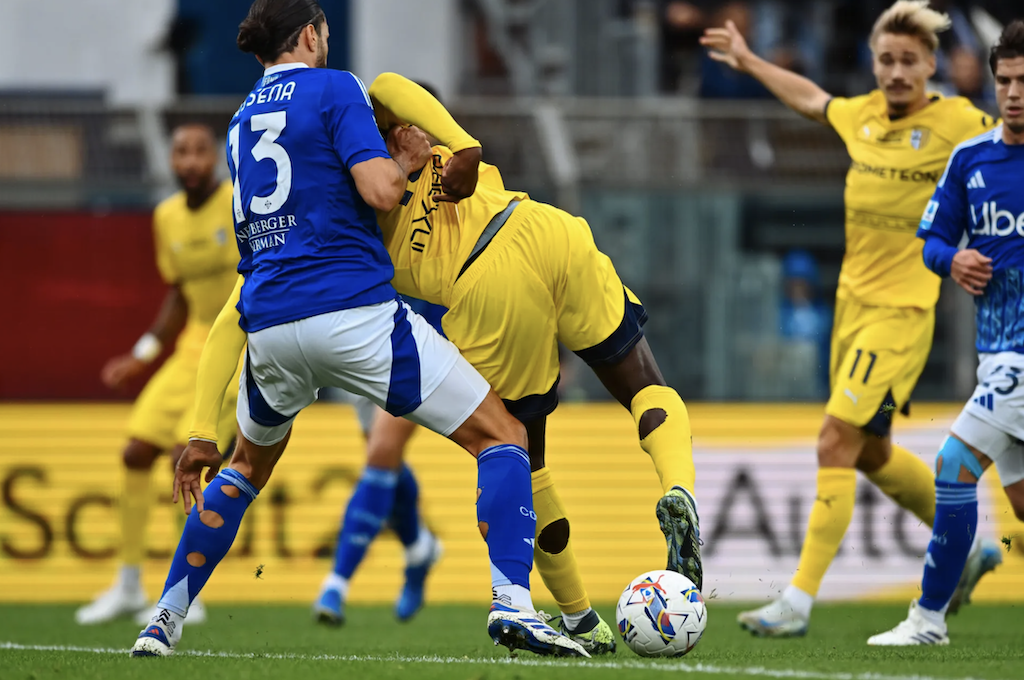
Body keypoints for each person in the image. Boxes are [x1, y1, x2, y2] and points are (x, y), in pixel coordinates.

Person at [130, 0, 586, 659]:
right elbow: (378, 192)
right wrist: (405, 159)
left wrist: (203, 428)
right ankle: (514, 604)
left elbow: (255, 262)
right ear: (311, 34)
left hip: (270, 326)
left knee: (242, 470)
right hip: (353, 314)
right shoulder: (336, 86)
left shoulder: (239, 122)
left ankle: (163, 620)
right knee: (503, 435)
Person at [700, 0, 995, 636]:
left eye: (908, 61)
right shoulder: (859, 115)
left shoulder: (958, 122)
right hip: (851, 307)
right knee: (872, 453)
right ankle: (967, 546)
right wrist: (749, 61)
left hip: (903, 312)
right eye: (886, 60)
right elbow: (811, 99)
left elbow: (1009, 146)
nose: (895, 72)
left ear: (931, 65)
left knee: (834, 440)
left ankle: (797, 602)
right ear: (873, 62)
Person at [869, 20, 1024, 646]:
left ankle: (926, 621)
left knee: (953, 463)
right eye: (1005, 81)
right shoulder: (971, 159)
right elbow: (932, 239)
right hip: (997, 354)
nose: (1013, 93)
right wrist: (952, 260)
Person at [75, 122, 240, 627]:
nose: (189, 161)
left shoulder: (239, 203)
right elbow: (177, 293)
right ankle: (127, 584)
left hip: (238, 344)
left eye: (199, 151)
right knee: (135, 452)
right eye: (180, 152)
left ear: (214, 158)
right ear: (171, 161)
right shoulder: (166, 217)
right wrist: (143, 353)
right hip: (190, 343)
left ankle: (186, 593)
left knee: (182, 456)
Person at [313, 298, 447, 627]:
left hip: (415, 340)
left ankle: (336, 584)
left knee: (381, 454)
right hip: (363, 338)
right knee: (385, 459)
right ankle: (418, 547)